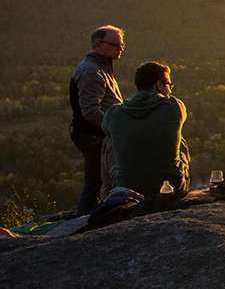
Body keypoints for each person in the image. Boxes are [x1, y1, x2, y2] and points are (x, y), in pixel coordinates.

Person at [104, 61, 190, 198]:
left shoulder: (114, 113)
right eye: (169, 85)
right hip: (171, 188)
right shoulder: (174, 106)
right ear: (159, 85)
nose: (170, 89)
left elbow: (105, 128)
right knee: (179, 138)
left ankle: (108, 195)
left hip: (128, 188)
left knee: (109, 140)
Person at [69, 25, 125, 216]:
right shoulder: (91, 71)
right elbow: (91, 111)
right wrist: (114, 128)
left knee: (95, 181)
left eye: (122, 44)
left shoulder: (100, 66)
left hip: (95, 134)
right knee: (98, 182)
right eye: (116, 44)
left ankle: (87, 219)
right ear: (99, 45)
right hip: (94, 136)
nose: (121, 48)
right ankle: (88, 222)